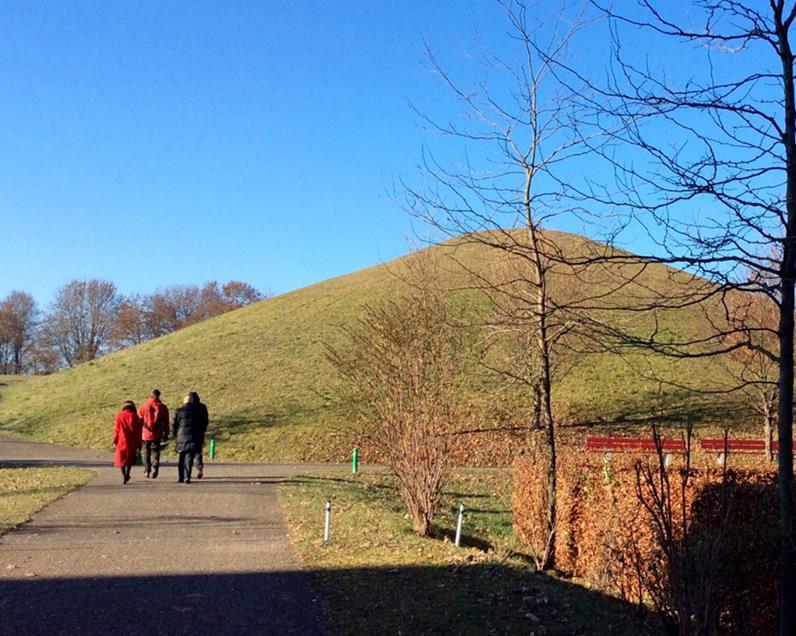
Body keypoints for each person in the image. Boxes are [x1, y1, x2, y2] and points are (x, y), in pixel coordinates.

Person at [171, 393, 208, 484]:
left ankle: (181, 477)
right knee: (189, 456)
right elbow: (203, 422)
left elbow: (173, 424)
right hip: (194, 436)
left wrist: (175, 434)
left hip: (181, 437)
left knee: (181, 457)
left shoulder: (178, 411)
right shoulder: (197, 411)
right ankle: (187, 475)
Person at [137, 389, 170, 479]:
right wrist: (166, 432)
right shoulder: (162, 407)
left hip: (145, 433)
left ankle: (147, 469)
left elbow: (139, 418)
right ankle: (155, 464)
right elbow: (166, 421)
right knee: (155, 451)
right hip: (157, 433)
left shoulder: (144, 406)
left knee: (145, 452)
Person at [113, 401, 143, 484]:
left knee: (122, 458)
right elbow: (138, 430)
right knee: (130, 458)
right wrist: (139, 442)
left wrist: (115, 440)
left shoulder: (119, 416)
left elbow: (117, 429)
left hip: (121, 440)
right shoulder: (134, 416)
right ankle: (127, 473)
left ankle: (123, 474)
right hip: (132, 440)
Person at [189, 391, 209, 479]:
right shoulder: (202, 407)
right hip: (200, 433)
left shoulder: (188, 408)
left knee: (189, 453)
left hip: (189, 433)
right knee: (198, 451)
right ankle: (199, 466)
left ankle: (188, 471)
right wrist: (204, 428)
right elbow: (206, 420)